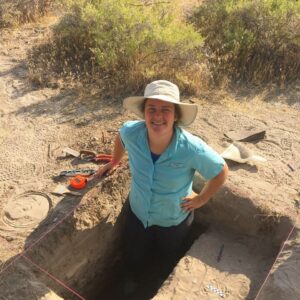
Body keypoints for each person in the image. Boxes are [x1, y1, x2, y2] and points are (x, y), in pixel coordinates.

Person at [95, 80, 228, 293]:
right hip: (138, 214)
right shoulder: (132, 133)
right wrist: (114, 161)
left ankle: (157, 284)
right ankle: (132, 282)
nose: (157, 116)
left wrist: (201, 199)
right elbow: (120, 137)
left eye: (165, 110)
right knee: (133, 253)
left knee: (166, 256)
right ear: (144, 113)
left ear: (175, 115)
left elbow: (221, 171)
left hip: (173, 221)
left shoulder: (191, 148)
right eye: (152, 109)